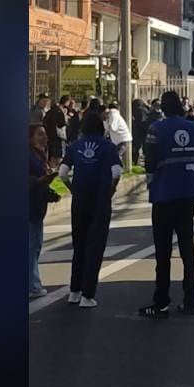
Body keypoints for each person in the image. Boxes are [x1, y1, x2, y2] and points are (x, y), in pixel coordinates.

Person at [139, 91, 194, 318]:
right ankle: (190, 301)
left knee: (163, 253)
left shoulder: (156, 129)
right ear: (181, 106)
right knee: (187, 250)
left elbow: (149, 162)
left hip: (163, 195)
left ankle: (161, 303)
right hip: (187, 195)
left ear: (163, 108)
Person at [59, 113, 122, 308]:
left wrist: (72, 189)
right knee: (95, 246)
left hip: (79, 200)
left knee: (79, 245)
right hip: (100, 200)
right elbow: (117, 172)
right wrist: (111, 189)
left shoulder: (74, 146)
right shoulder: (107, 146)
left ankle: (74, 291)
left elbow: (62, 173)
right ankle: (88, 295)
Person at [29, 125, 61, 298]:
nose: (44, 137)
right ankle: (33, 286)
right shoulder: (28, 156)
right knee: (32, 247)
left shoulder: (39, 155)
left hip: (37, 205)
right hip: (30, 207)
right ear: (30, 138)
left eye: (45, 134)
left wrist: (50, 192)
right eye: (39, 134)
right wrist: (41, 180)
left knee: (35, 246)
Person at [104, 102, 132, 168]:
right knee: (115, 156)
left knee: (116, 156)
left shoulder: (113, 115)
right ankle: (118, 169)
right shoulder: (114, 115)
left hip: (122, 140)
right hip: (121, 139)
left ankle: (119, 170)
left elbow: (113, 128)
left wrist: (106, 121)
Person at [43, 99, 68, 169]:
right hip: (59, 138)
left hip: (50, 138)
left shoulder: (48, 113)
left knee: (52, 156)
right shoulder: (60, 112)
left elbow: (44, 124)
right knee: (59, 157)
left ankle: (52, 170)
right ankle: (58, 171)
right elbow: (62, 124)